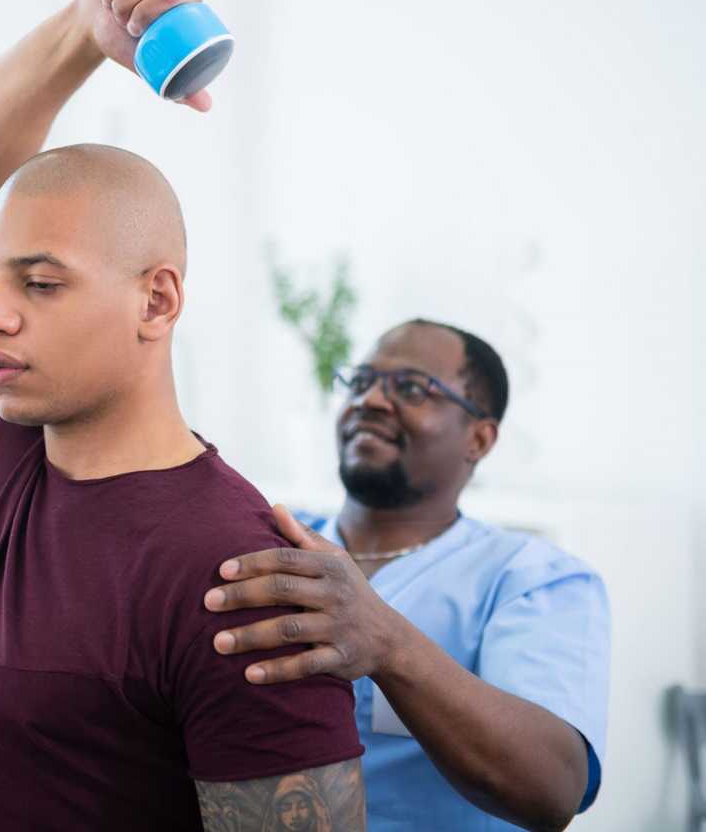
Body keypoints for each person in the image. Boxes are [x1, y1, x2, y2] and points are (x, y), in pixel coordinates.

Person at [0, 0, 367, 830]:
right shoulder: (12, 443)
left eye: (40, 282)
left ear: (157, 302)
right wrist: (84, 29)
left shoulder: (241, 577)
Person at [203, 320, 611, 832]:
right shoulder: (273, 539)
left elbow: (552, 789)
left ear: (479, 439)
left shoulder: (534, 580)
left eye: (412, 389)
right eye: (360, 381)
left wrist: (388, 644)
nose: (370, 400)